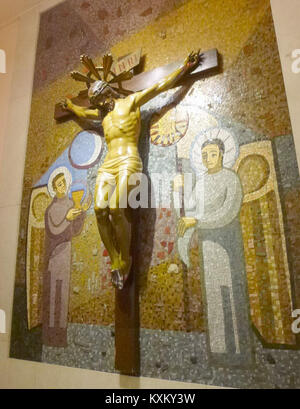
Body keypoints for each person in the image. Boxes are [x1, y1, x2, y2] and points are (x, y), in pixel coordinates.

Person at [62, 51, 201, 290]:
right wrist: (71, 106)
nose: (101, 105)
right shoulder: (101, 115)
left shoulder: (131, 102)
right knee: (99, 209)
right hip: (109, 164)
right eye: (97, 103)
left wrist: (184, 68)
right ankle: (115, 258)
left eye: (102, 100)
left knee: (116, 207)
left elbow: (159, 87)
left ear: (108, 92)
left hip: (128, 160)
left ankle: (125, 258)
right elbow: (82, 113)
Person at [175, 139, 253, 367]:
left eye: (213, 154)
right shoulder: (200, 183)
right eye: (205, 155)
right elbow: (189, 210)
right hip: (208, 244)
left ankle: (239, 351)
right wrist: (178, 190)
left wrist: (197, 221)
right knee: (213, 294)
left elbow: (228, 212)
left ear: (222, 154)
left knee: (230, 291)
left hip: (228, 243)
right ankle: (219, 351)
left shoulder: (230, 179)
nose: (209, 159)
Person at [43, 171, 90, 347]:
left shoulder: (71, 204)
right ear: (54, 189)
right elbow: (54, 231)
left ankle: (60, 336)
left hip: (66, 254)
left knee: (63, 295)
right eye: (59, 185)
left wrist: (82, 213)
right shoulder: (51, 209)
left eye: (64, 183)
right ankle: (50, 335)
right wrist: (67, 218)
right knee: (53, 294)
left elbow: (75, 230)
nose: (63, 187)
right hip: (54, 256)